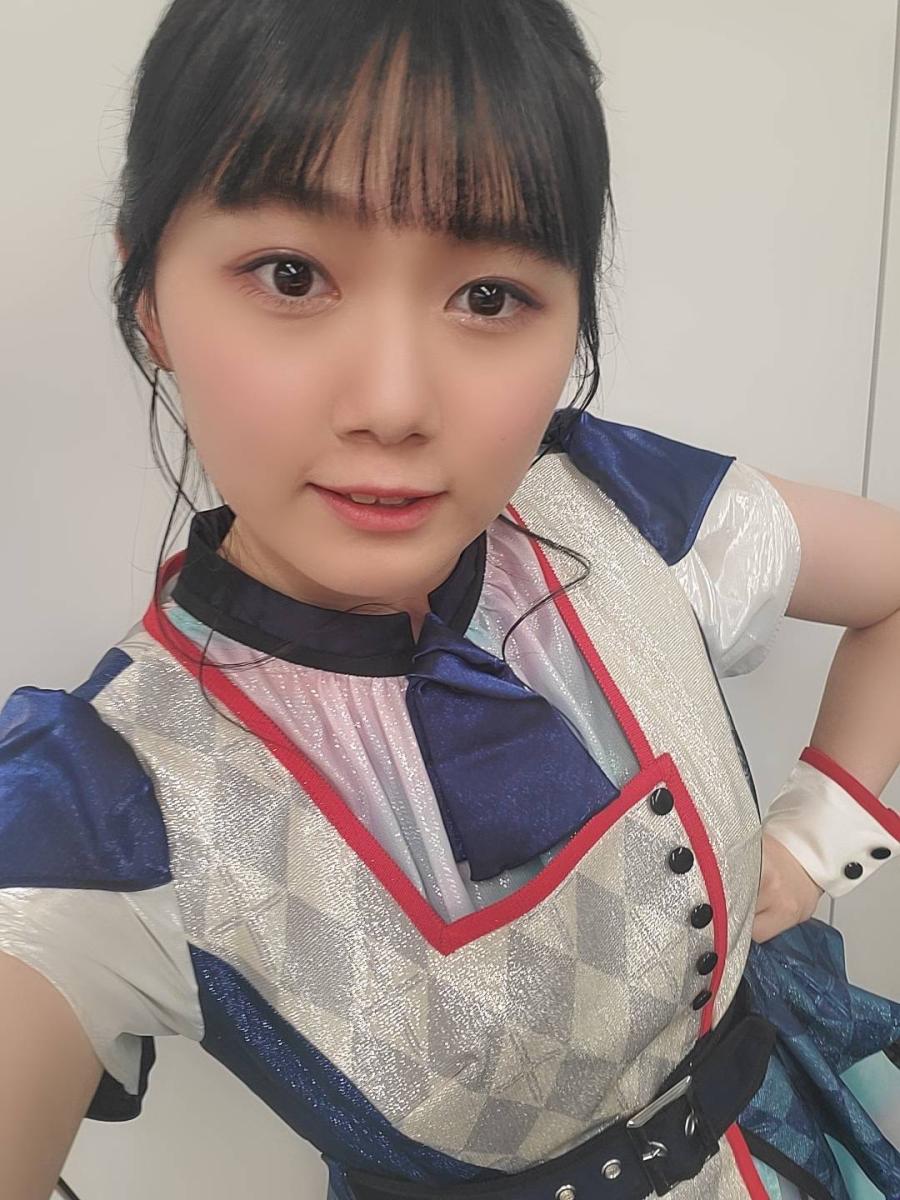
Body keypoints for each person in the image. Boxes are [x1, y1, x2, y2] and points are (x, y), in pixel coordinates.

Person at [1, 2, 898, 1198]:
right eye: (291, 274)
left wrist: (815, 840)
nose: (393, 402)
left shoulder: (622, 512)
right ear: (150, 296)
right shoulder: (102, 807)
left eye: (488, 296)